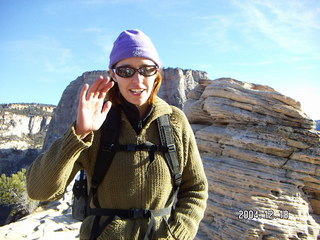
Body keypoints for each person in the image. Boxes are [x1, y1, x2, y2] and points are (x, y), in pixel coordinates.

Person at [26, 29, 208, 240]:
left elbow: (195, 188)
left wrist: (177, 234)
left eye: (146, 69)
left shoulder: (175, 121)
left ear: (157, 72)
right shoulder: (96, 124)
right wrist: (80, 133)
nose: (137, 80)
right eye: (126, 71)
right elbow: (38, 191)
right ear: (113, 74)